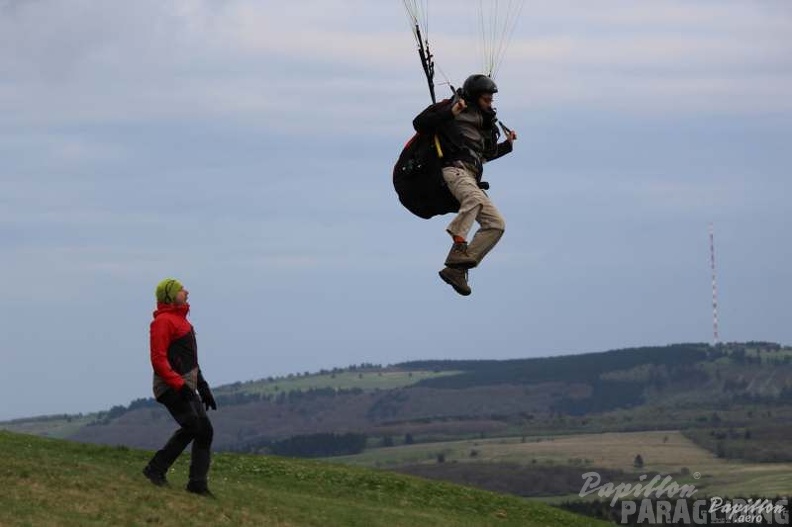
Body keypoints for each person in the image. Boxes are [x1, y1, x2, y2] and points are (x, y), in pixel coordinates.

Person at [412, 74, 517, 296]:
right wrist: (450, 112)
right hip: (454, 170)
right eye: (487, 100)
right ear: (475, 97)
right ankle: (458, 245)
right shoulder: (452, 108)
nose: (490, 104)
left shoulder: (484, 125)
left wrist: (507, 145)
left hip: (471, 175)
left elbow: (484, 155)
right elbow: (419, 124)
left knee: (496, 224)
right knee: (475, 199)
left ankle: (456, 270)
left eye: (491, 100)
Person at [142, 278, 217, 497]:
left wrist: (202, 387)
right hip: (169, 386)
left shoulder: (183, 322)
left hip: (185, 386)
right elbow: (158, 359)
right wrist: (178, 385)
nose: (187, 292)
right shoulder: (163, 322)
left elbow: (190, 360)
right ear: (169, 295)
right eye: (181, 289)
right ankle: (155, 469)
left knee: (205, 431)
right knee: (193, 426)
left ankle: (197, 484)